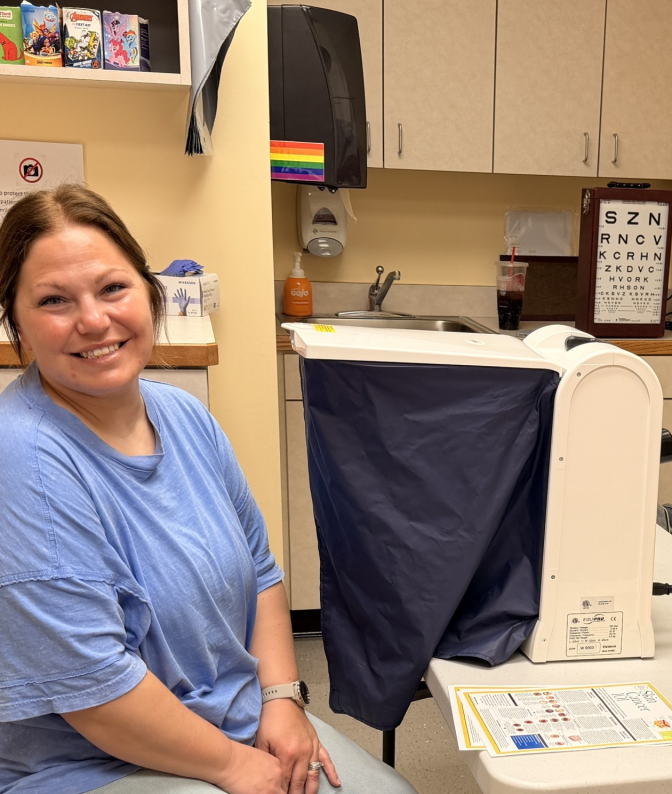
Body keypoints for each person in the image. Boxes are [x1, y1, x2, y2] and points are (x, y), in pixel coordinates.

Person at [0, 185, 418, 794]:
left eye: (113, 287)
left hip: (233, 721)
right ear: (19, 324)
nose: (94, 320)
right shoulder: (26, 462)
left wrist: (281, 700)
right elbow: (95, 691)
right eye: (54, 300)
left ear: (149, 291)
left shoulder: (184, 415)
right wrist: (232, 766)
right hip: (95, 762)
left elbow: (261, 568)